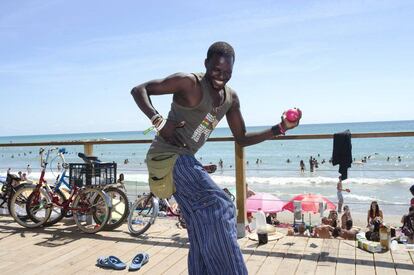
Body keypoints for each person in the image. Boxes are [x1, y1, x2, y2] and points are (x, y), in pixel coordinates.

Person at [131, 41, 301, 274]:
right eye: (216, 70)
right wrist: (158, 121)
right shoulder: (188, 82)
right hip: (166, 157)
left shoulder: (231, 99)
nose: (221, 76)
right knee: (221, 205)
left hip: (185, 159)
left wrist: (280, 127)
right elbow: (139, 90)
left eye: (228, 72)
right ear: (206, 64)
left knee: (200, 226)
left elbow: (241, 138)